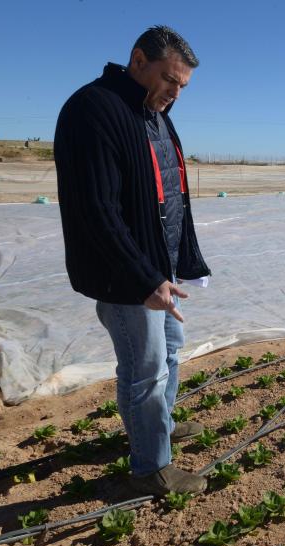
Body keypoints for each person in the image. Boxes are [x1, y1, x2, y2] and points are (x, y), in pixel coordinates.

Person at [55, 26, 210, 495]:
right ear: (138, 60)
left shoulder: (153, 112)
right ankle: (150, 467)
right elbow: (96, 208)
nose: (175, 92)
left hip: (156, 271)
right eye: (169, 79)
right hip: (125, 276)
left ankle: (155, 427)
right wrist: (144, 277)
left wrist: (180, 260)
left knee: (169, 353)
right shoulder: (94, 109)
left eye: (182, 85)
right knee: (145, 369)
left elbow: (169, 189)